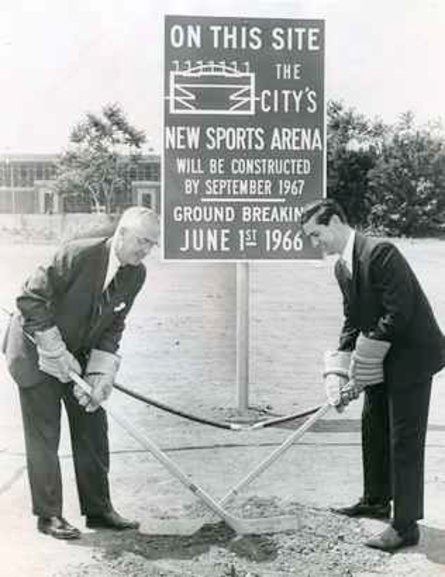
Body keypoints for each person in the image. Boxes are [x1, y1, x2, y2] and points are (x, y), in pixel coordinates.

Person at [3, 206, 160, 540]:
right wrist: (55, 350)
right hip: (35, 351)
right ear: (122, 234)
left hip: (79, 355)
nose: (146, 250)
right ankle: (49, 516)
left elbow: (114, 323)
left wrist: (99, 373)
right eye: (143, 241)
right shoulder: (79, 253)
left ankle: (99, 510)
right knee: (45, 435)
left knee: (92, 425)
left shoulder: (136, 274)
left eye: (152, 245)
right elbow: (29, 299)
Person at [301, 199, 445, 552]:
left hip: (412, 356)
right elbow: (353, 320)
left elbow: (400, 313)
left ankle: (406, 525)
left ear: (334, 221)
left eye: (316, 234)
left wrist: (364, 361)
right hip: (382, 355)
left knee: (403, 440)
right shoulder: (342, 268)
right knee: (373, 425)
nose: (316, 244)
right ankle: (376, 498)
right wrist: (340, 367)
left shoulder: (381, 253)